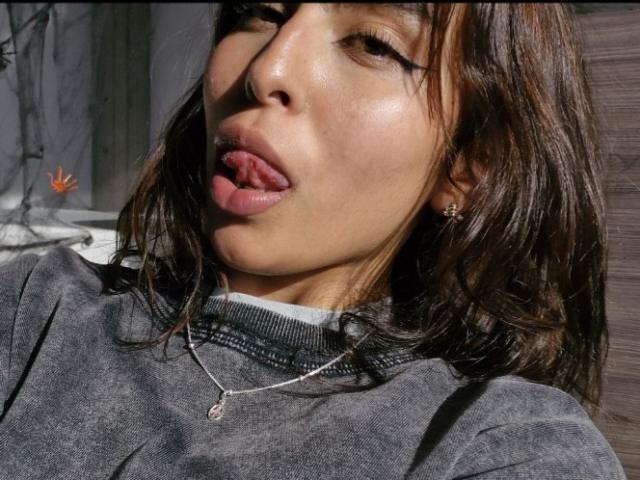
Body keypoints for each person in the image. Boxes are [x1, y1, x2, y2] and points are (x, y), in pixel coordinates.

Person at [0, 3, 628, 479]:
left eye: (373, 43)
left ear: (469, 164)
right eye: (260, 13)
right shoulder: (36, 313)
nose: (266, 69)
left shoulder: (490, 444)